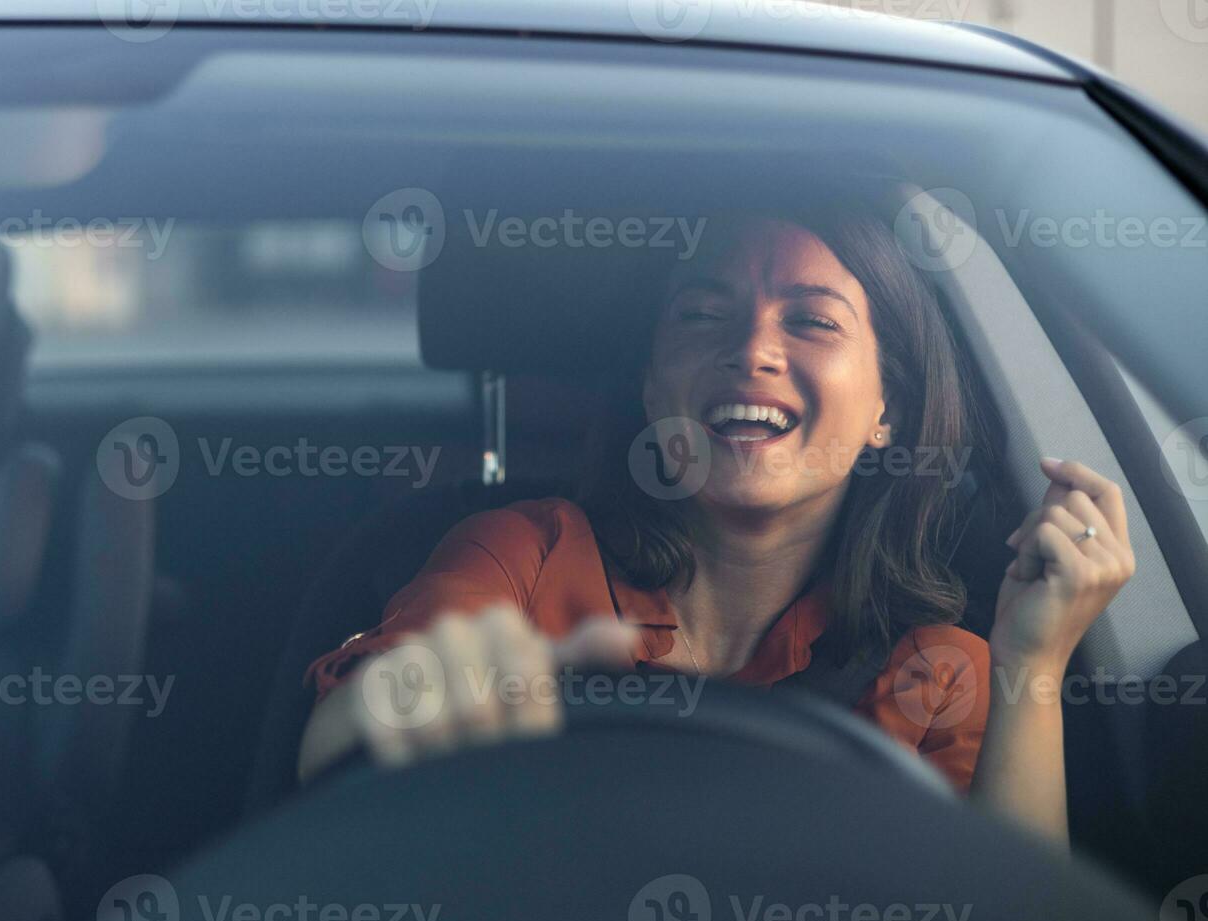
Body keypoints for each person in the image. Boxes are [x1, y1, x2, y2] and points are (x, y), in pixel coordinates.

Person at [297, 204, 1135, 845]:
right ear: (654, 386)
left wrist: (1037, 661)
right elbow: (332, 755)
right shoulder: (526, 556)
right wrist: (418, 698)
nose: (752, 350)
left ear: (890, 406)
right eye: (703, 314)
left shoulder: (939, 671)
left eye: (810, 320)